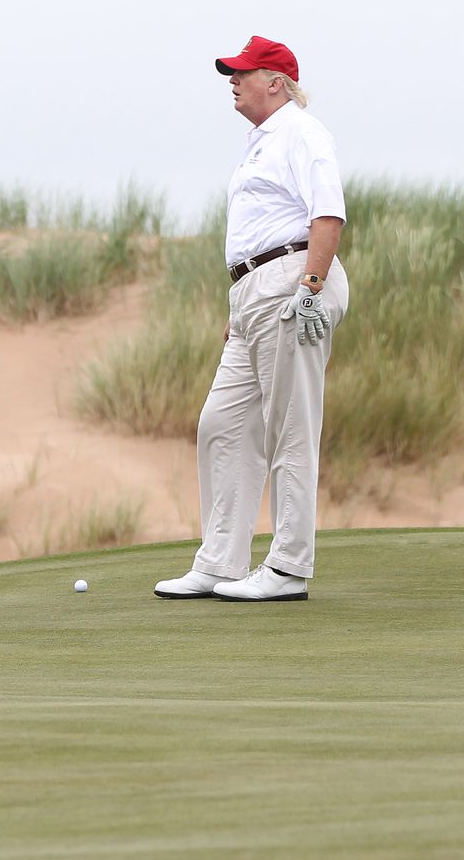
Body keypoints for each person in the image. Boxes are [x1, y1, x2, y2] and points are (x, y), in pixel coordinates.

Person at [154, 35, 350, 603]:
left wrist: (310, 288)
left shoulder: (302, 132)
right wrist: (240, 303)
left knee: (289, 428)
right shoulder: (261, 143)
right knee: (222, 423)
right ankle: (220, 561)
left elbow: (327, 213)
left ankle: (288, 568)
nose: (232, 82)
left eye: (243, 73)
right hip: (254, 295)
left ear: (276, 82)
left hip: (293, 284)